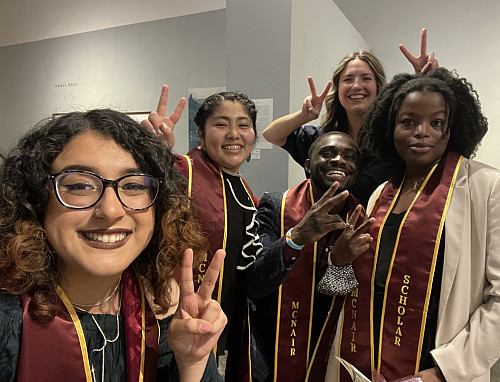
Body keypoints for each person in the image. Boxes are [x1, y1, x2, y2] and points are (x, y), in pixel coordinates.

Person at [0, 109, 227, 381]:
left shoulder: (164, 313)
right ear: (36, 198)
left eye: (133, 186)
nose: (110, 210)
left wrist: (191, 364)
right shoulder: (10, 320)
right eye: (81, 186)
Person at [323, 68, 500, 381]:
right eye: (408, 122)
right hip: (371, 366)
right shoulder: (381, 194)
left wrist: (442, 372)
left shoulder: (485, 188)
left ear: (452, 129)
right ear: (390, 128)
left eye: (436, 123)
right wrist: (338, 261)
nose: (422, 131)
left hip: (440, 368)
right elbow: (361, 285)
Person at [142, 88, 262, 380]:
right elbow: (148, 184)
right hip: (174, 326)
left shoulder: (246, 191)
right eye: (221, 124)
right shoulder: (183, 171)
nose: (234, 133)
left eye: (243, 125)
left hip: (223, 324)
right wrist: (154, 152)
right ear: (200, 132)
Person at [263, 29, 438, 206]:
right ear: (338, 89)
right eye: (348, 79)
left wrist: (426, 82)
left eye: (365, 78)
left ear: (378, 87)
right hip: (321, 230)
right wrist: (303, 116)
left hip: (376, 230)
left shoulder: (391, 140)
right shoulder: (322, 140)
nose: (356, 86)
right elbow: (271, 134)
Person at [248, 132, 373, 382]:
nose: (339, 160)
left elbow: (347, 302)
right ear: (307, 165)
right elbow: (255, 283)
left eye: (348, 157)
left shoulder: (364, 219)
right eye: (327, 153)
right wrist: (296, 238)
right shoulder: (275, 206)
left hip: (328, 347)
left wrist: (338, 264)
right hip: (271, 346)